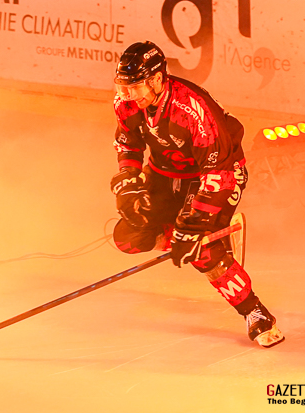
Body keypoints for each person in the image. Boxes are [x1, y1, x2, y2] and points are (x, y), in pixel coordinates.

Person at [109, 40, 284, 348]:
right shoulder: (126, 102)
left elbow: (219, 173)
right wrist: (129, 181)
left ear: (157, 79)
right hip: (166, 175)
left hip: (218, 176)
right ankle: (210, 234)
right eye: (124, 86)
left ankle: (255, 312)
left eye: (135, 87)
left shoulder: (191, 109)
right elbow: (128, 142)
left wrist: (195, 223)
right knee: (127, 236)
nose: (127, 95)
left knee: (202, 251)